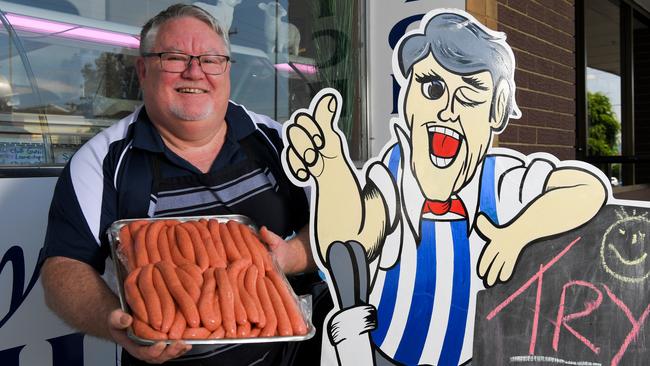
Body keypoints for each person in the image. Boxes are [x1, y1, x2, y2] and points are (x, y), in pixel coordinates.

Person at [282, 10, 608, 366]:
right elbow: (349, 240)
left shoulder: (500, 183)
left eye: (470, 95)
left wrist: (517, 233)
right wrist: (331, 172)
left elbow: (587, 187)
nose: (448, 110)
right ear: (407, 98)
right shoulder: (394, 175)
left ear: (496, 111)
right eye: (433, 88)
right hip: (384, 354)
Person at [39, 4, 326, 365]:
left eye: (210, 59)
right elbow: (63, 268)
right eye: (174, 58)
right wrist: (115, 320)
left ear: (226, 69)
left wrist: (290, 256)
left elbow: (340, 226)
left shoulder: (278, 141)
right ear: (143, 69)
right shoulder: (100, 163)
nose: (195, 72)